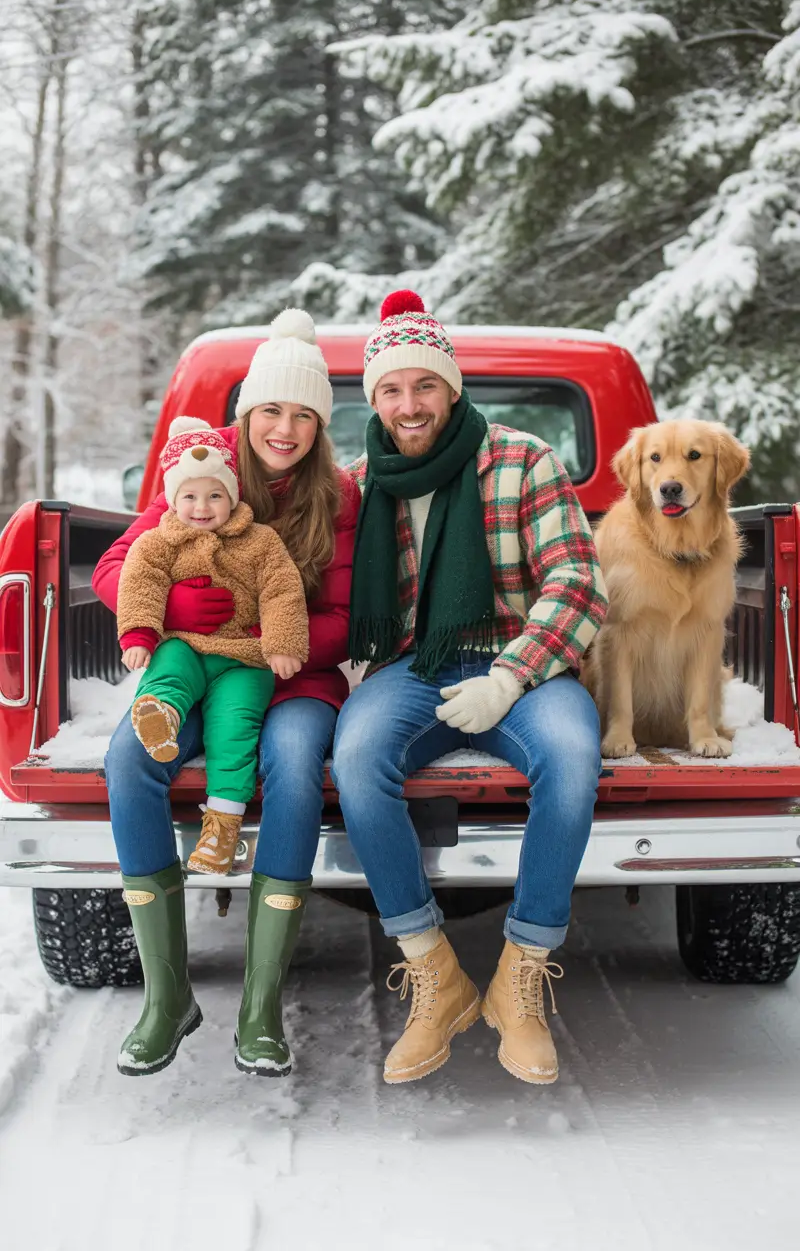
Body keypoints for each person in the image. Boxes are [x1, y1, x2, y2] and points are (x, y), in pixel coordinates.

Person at [332, 290, 608, 1086]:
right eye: (391, 389)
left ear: (452, 388)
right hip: (412, 669)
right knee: (357, 761)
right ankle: (434, 972)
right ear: (374, 400)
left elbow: (578, 583)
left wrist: (509, 674)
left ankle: (521, 979)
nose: (409, 404)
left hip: (521, 663)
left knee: (572, 758)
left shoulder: (522, 460)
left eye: (425, 384)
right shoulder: (361, 483)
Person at [93, 308, 361, 1078]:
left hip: (293, 678)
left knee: (294, 766)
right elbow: (119, 567)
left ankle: (260, 1007)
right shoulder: (202, 468)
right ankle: (167, 998)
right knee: (130, 760)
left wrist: (274, 639)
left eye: (303, 415)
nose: (285, 429)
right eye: (271, 409)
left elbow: (346, 616)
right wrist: (173, 609)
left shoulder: (338, 494)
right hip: (193, 669)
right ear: (246, 414)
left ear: (320, 424)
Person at [116, 416, 309, 877]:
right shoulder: (158, 542)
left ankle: (222, 830)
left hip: (244, 657)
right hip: (185, 643)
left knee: (235, 730)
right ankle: (160, 716)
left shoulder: (260, 541)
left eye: (215, 495)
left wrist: (282, 642)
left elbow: (282, 590)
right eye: (189, 496)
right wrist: (140, 633)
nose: (202, 507)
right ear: (173, 498)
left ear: (233, 495)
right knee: (169, 670)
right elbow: (139, 583)